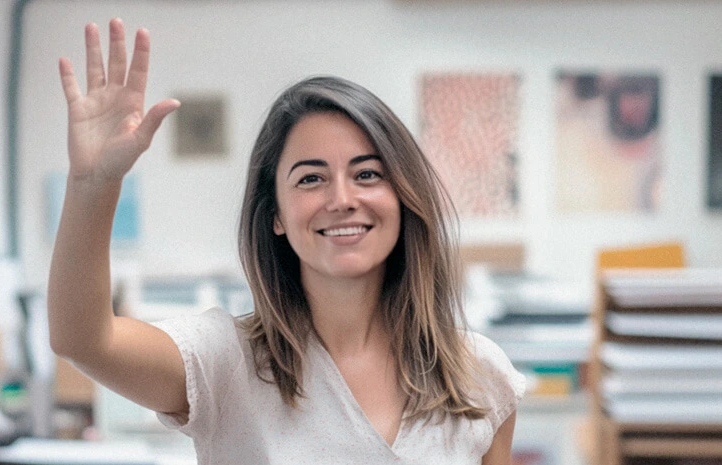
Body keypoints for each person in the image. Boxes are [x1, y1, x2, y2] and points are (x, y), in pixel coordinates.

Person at [48, 18, 524, 464]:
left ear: (402, 195)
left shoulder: (479, 375)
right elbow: (84, 340)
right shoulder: (226, 363)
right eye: (311, 179)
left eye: (367, 173)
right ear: (274, 213)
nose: (342, 198)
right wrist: (93, 184)